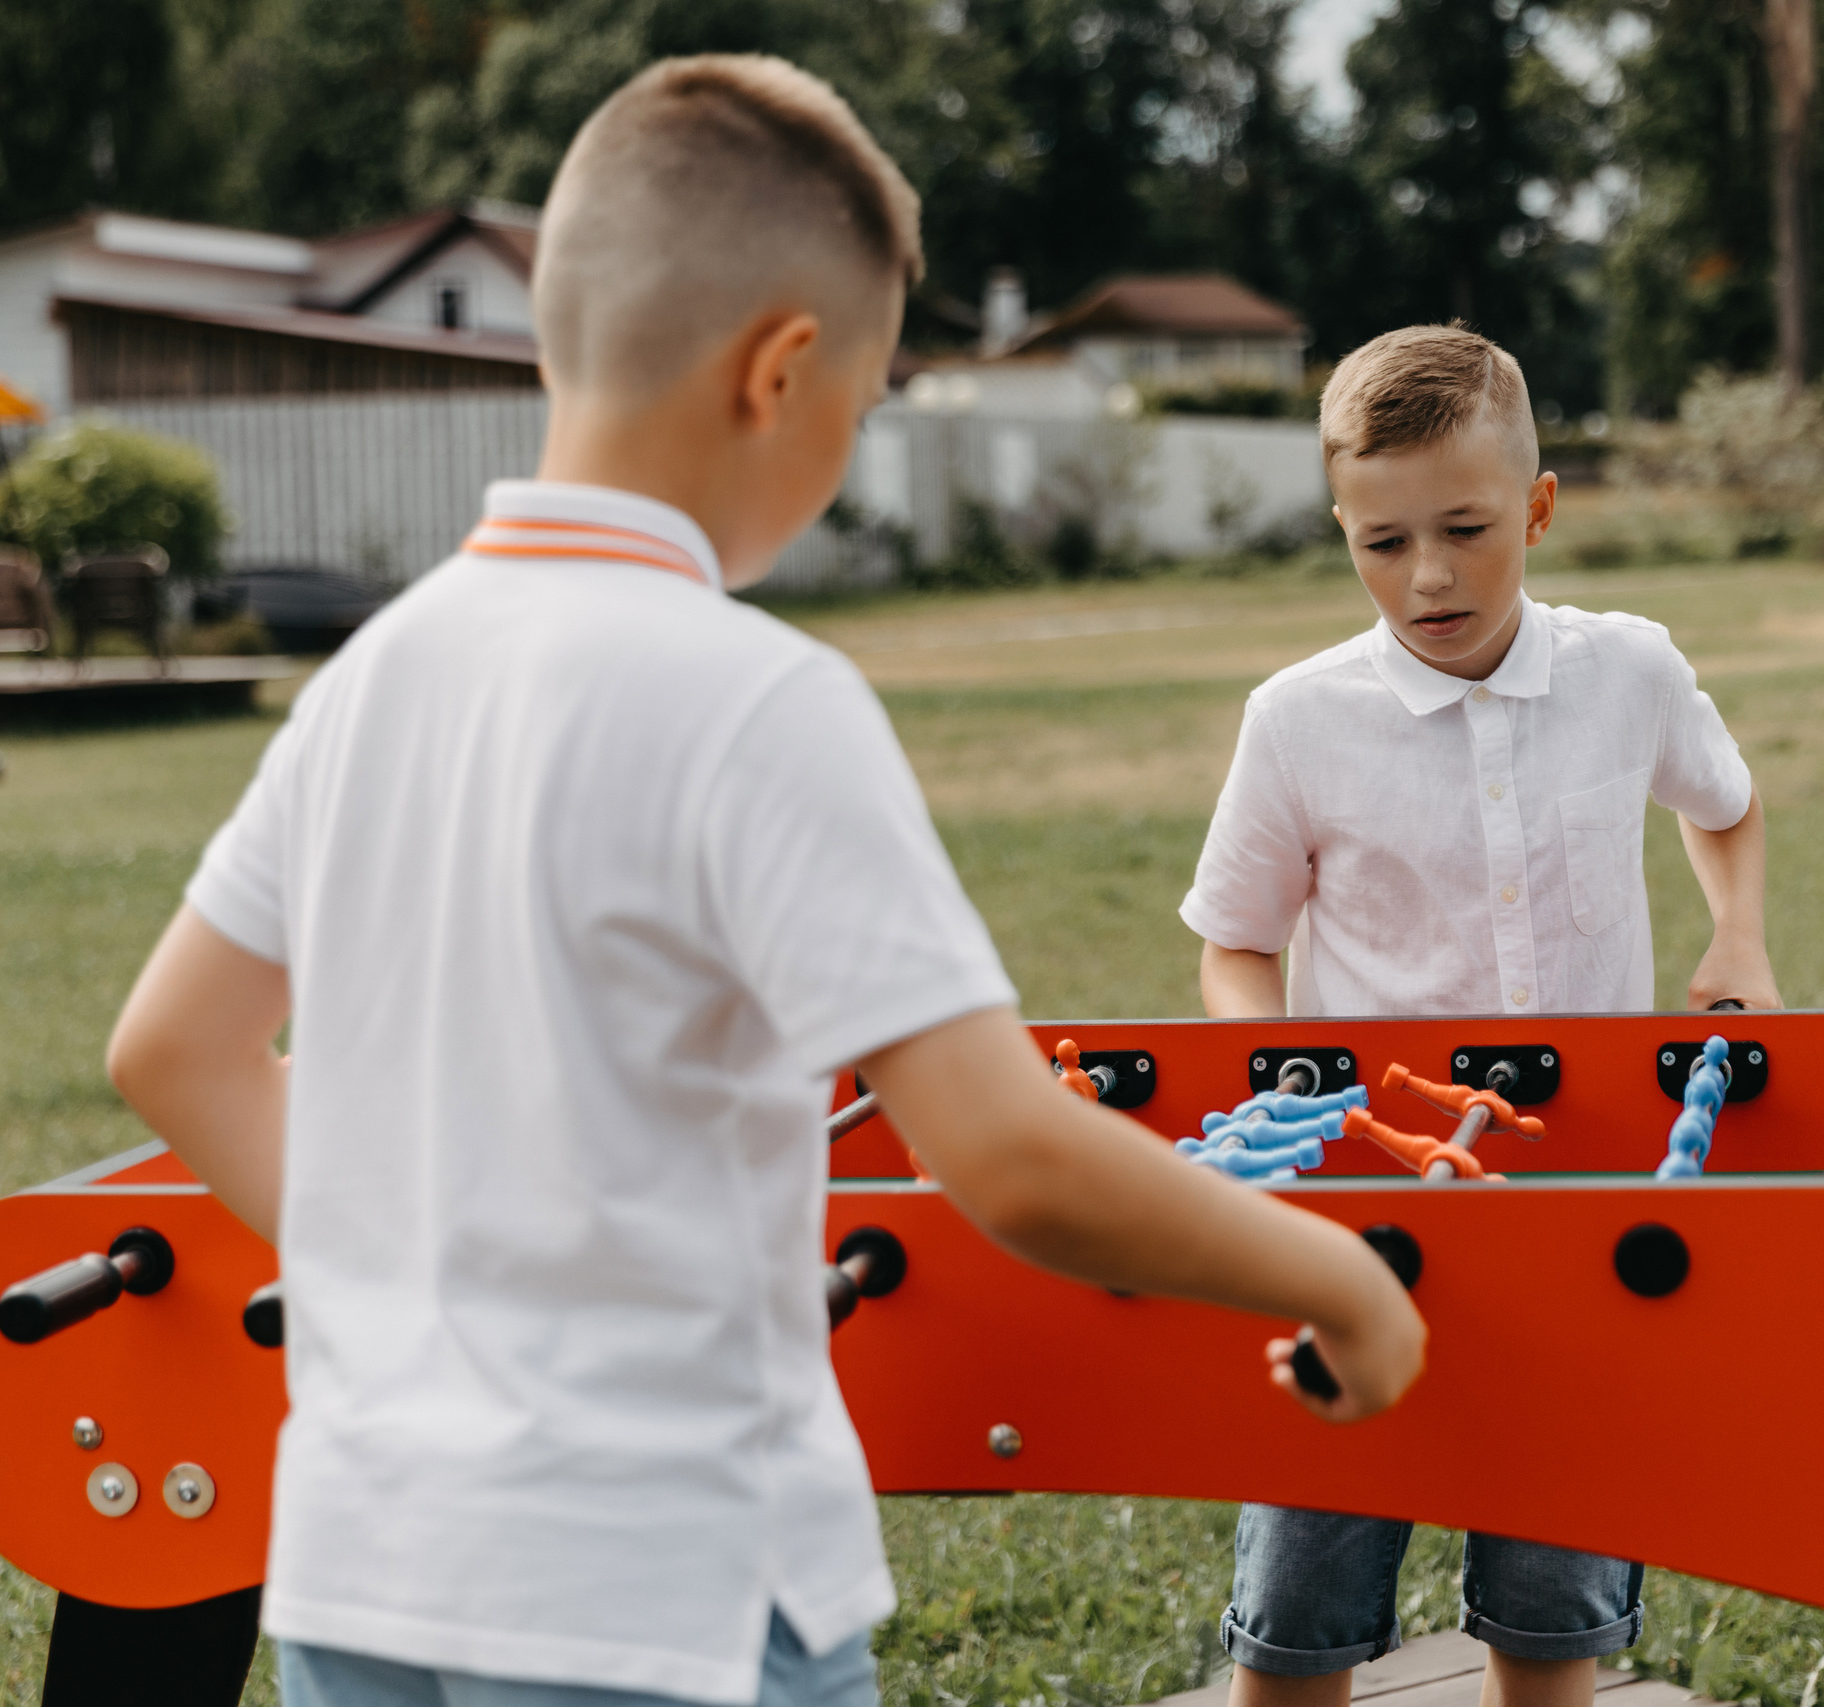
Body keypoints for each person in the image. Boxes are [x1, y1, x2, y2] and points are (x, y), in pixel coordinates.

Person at [103, 55, 1426, 1707]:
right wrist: (1337, 1277)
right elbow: (1010, 1153)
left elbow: (176, 1049)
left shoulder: (378, 670)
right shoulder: (759, 698)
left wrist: (427, 1271)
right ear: (782, 370)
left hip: (367, 1579)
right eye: (865, 410)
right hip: (665, 1598)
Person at [1178, 324, 1777, 1707]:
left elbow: (1727, 806)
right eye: (1382, 543)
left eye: (1466, 528)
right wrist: (1272, 1057)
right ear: (1342, 530)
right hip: (1358, 1214)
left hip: (1578, 1197)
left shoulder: (1628, 670)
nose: (1429, 576)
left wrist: (1734, 936)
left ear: (1540, 508)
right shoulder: (1297, 719)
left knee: (1553, 1616)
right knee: (1296, 1616)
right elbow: (1235, 945)